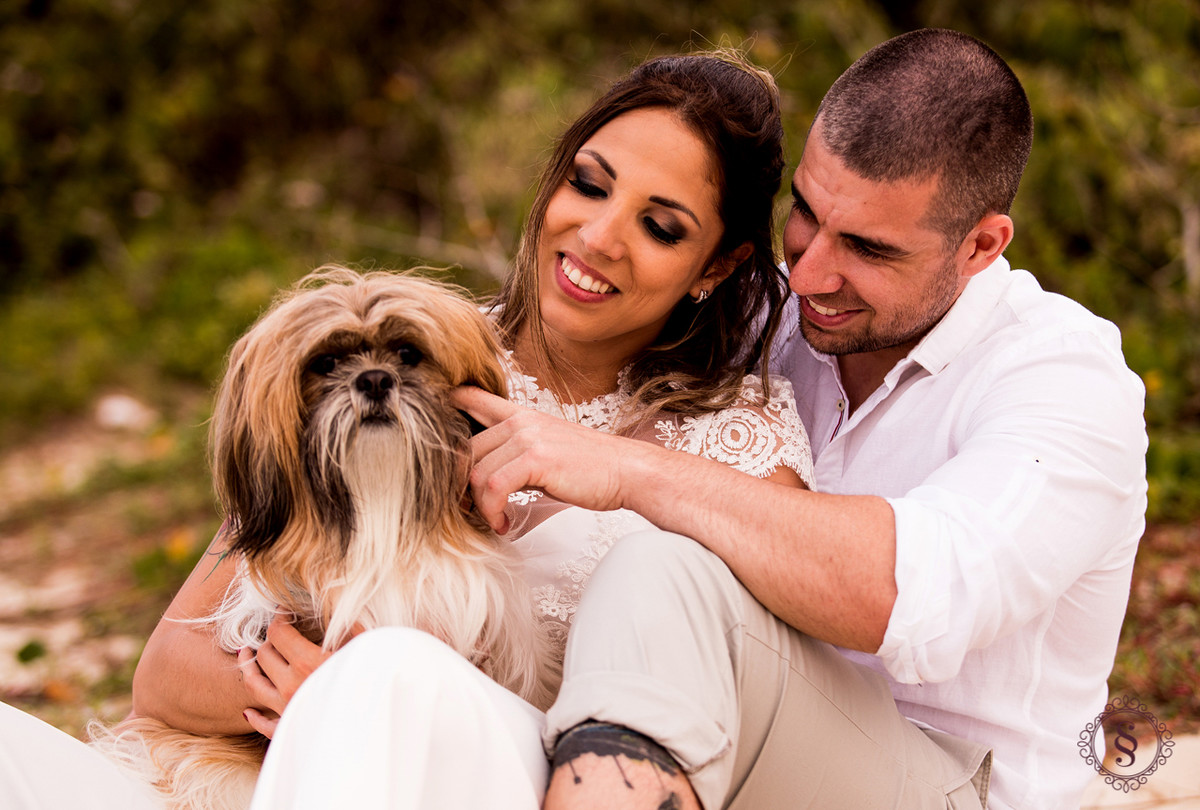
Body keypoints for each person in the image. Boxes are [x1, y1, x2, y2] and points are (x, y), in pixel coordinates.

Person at [0, 48, 812, 810]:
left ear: (719, 264)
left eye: (661, 226)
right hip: (257, 769)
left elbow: (738, 703)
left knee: (391, 675)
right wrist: (318, 692)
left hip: (493, 777)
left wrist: (376, 697)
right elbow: (167, 675)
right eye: (588, 185)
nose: (598, 237)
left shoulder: (734, 440)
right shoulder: (418, 348)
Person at [455, 28, 1148, 810]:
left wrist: (624, 471)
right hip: (721, 733)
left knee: (662, 570)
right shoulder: (764, 314)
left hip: (951, 786)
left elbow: (910, 598)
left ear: (981, 245)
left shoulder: (1065, 379)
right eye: (808, 214)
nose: (810, 272)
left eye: (868, 248)